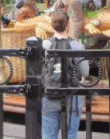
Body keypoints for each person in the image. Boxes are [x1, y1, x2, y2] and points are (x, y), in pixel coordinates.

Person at [42, 10, 89, 139]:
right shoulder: (76, 45)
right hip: (71, 96)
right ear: (68, 24)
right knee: (70, 135)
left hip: (50, 94)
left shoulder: (45, 45)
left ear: (52, 25)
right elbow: (85, 72)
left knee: (48, 135)